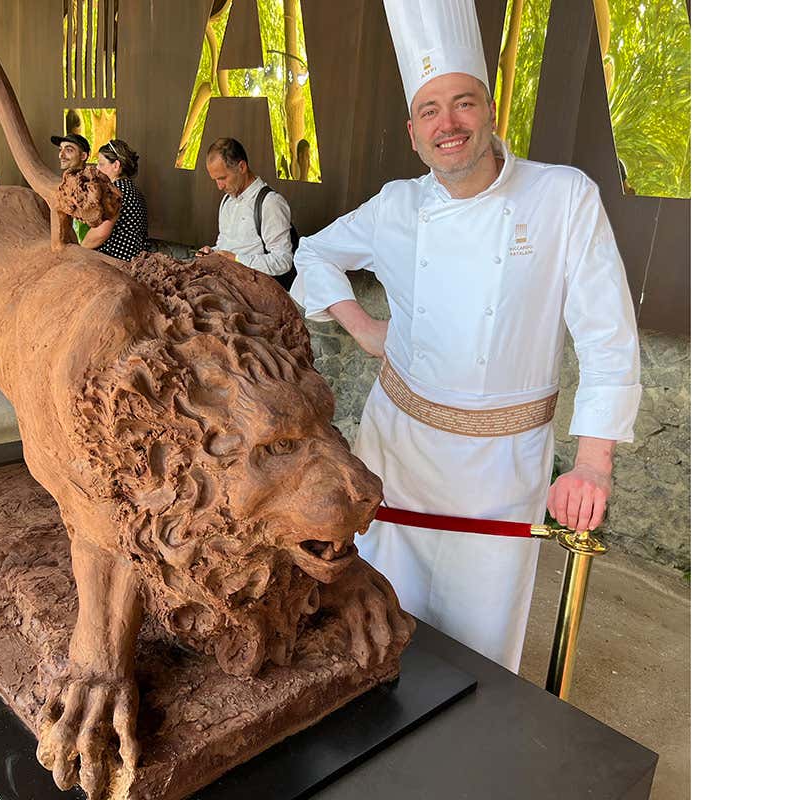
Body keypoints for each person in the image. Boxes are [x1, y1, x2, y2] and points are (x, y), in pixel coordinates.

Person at [289, 0, 642, 672]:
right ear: (413, 132)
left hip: (501, 470)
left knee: (477, 647)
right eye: (430, 110)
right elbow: (314, 253)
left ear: (490, 111)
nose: (447, 124)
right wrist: (363, 327)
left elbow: (607, 334)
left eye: (463, 104)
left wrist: (593, 463)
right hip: (398, 451)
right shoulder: (396, 205)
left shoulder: (563, 197)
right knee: (374, 618)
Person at [198, 137, 296, 285]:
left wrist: (237, 260)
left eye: (222, 178)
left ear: (242, 167)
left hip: (255, 288)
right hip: (224, 281)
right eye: (215, 180)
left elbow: (283, 260)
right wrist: (212, 253)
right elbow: (225, 246)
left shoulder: (270, 203)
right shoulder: (227, 200)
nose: (219, 186)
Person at [83, 139, 148, 261]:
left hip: (115, 260)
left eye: (101, 164)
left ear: (116, 166)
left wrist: (79, 249)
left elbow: (100, 233)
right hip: (133, 258)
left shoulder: (115, 191)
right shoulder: (132, 189)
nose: (97, 168)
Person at [51, 132, 92, 241]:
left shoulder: (89, 185)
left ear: (83, 156)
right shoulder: (66, 182)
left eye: (68, 150)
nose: (61, 155)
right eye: (60, 150)